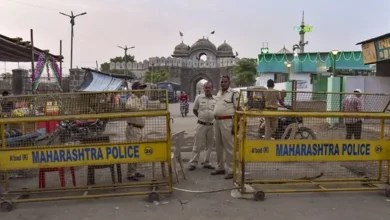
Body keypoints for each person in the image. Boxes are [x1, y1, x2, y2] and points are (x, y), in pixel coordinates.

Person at [212, 75, 239, 180]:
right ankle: (220, 168)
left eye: (225, 82)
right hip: (217, 122)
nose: (223, 83)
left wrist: (235, 125)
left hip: (228, 121)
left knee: (229, 147)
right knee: (218, 146)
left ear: (229, 83)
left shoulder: (233, 94)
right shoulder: (219, 93)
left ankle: (231, 170)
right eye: (221, 82)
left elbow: (239, 110)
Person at [188, 82, 216, 171]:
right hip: (201, 125)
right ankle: (193, 163)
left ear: (212, 88)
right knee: (197, 144)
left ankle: (207, 162)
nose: (208, 89)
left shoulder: (216, 99)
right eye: (206, 87)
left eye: (209, 87)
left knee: (210, 145)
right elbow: (194, 110)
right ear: (204, 89)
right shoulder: (199, 98)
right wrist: (201, 117)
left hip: (211, 125)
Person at [125, 81, 147, 181]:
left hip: (139, 128)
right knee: (132, 151)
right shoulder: (132, 98)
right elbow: (128, 106)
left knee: (137, 151)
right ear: (135, 89)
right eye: (140, 88)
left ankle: (135, 171)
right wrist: (137, 109)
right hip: (133, 128)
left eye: (142, 88)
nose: (142, 90)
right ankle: (130, 173)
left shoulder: (140, 99)